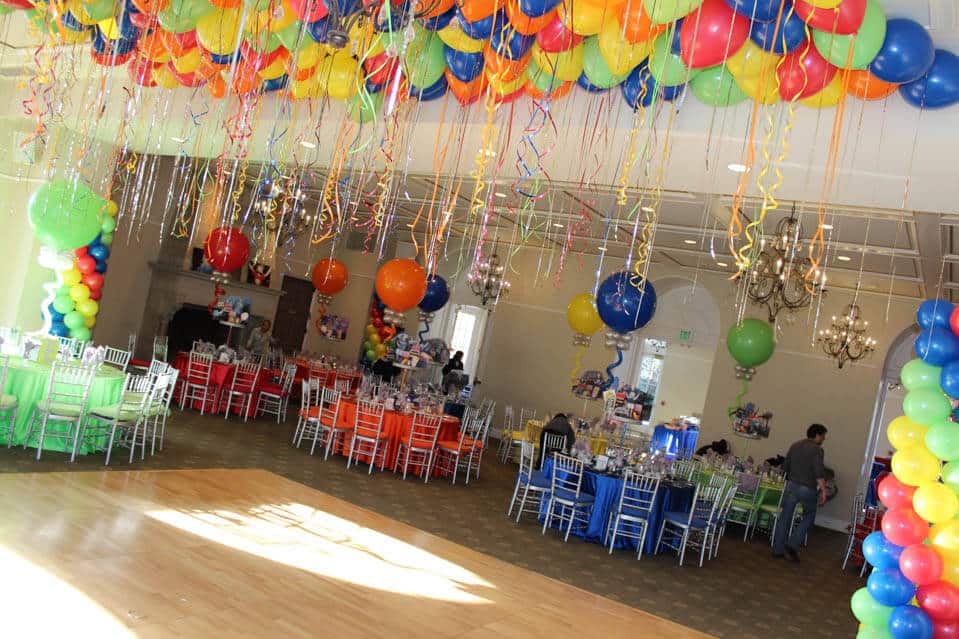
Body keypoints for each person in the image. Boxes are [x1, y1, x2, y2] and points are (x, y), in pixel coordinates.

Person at [773, 423, 828, 562]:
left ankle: (777, 549)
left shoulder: (795, 445)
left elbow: (785, 466)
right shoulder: (817, 450)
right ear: (817, 435)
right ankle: (793, 543)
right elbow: (818, 472)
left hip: (791, 485)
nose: (824, 439)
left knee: (784, 517)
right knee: (809, 515)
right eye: (823, 436)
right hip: (807, 488)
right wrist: (823, 490)